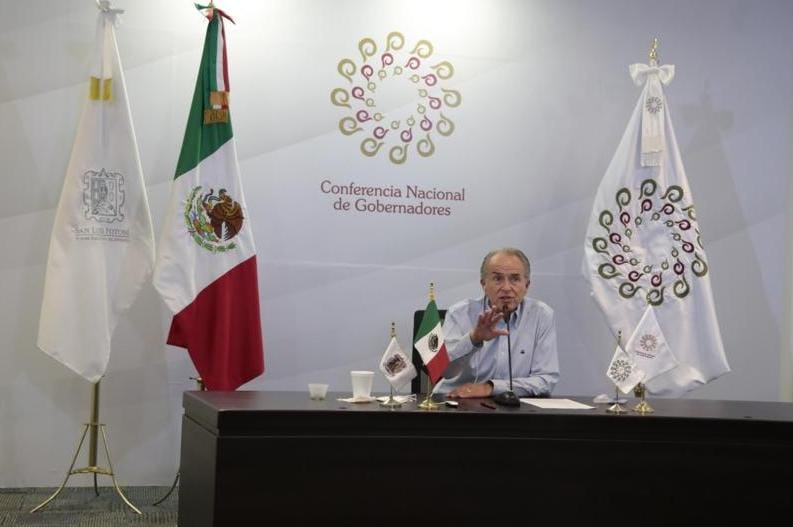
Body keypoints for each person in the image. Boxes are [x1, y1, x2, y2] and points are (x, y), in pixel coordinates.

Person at [434, 248, 559, 398]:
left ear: (526, 285)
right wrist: (474, 339)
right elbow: (443, 371)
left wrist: (490, 388)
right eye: (497, 279)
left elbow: (546, 379)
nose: (506, 288)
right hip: (455, 402)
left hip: (514, 406)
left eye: (515, 279)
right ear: (483, 284)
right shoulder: (460, 313)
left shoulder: (541, 315)